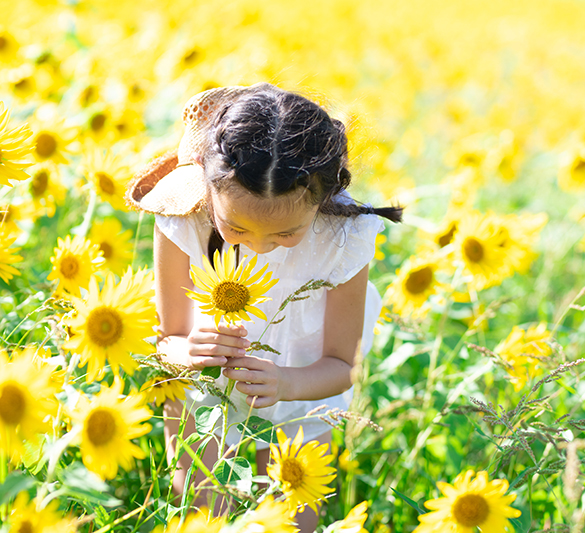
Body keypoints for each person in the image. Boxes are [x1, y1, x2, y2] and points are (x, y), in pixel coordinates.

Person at [126, 82, 401, 531]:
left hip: (304, 392)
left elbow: (342, 366)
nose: (261, 247)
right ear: (209, 189)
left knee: (292, 522)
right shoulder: (183, 217)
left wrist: (286, 383)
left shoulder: (344, 238)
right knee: (202, 514)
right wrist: (188, 351)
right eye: (236, 227)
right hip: (204, 389)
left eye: (286, 235)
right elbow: (168, 339)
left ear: (322, 200)